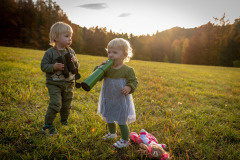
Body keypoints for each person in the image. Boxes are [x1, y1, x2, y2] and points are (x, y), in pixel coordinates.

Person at [97, 38, 138, 148]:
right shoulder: (107, 68)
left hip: (121, 99)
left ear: (124, 55)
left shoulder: (128, 70)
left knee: (121, 119)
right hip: (108, 97)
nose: (110, 55)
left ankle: (125, 140)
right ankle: (112, 133)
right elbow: (97, 77)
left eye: (115, 52)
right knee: (109, 116)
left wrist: (129, 87)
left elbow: (134, 81)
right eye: (109, 52)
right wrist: (100, 68)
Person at [40, 22, 79, 135]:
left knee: (67, 104)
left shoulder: (71, 51)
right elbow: (43, 66)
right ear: (55, 37)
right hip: (54, 84)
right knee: (56, 103)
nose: (69, 39)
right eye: (66, 36)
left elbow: (77, 67)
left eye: (70, 36)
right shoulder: (50, 53)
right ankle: (47, 126)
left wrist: (75, 61)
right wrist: (53, 67)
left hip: (69, 83)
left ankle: (64, 121)